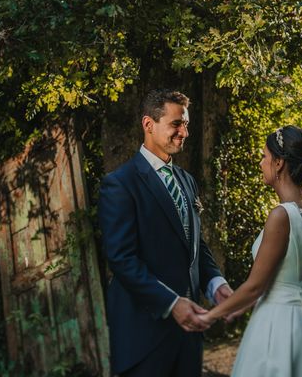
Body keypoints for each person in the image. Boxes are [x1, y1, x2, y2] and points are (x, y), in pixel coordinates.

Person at [198, 125, 302, 376]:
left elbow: (255, 286)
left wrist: (210, 316)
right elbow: (297, 276)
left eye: (264, 157)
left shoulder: (282, 216)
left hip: (281, 326)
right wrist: (239, 306)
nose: (261, 163)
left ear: (279, 163)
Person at [98, 89, 232, 377]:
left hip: (189, 337)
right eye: (176, 124)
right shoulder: (120, 184)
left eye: (186, 124)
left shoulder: (187, 181)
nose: (184, 132)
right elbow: (121, 259)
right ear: (149, 124)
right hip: (144, 337)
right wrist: (171, 304)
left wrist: (216, 284)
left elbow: (194, 244)